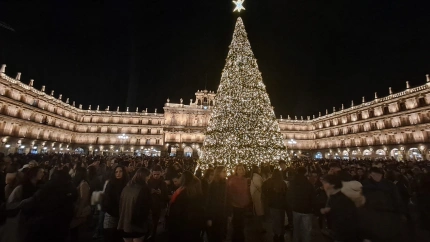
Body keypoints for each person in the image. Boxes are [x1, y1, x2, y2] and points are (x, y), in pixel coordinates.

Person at [22, 169, 78, 242]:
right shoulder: (71, 186)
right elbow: (74, 198)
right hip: (63, 220)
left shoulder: (49, 186)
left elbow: (35, 200)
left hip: (46, 221)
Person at [167, 171, 204, 242]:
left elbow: (178, 210)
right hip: (193, 223)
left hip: (182, 224)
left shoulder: (183, 192)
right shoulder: (195, 190)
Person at [320, 175, 359, 242]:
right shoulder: (333, 197)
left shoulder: (342, 199)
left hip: (345, 235)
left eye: (324, 183)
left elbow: (344, 220)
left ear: (332, 185)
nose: (323, 186)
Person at [117, 168, 152, 242]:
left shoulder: (126, 187)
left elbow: (120, 204)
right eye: (148, 176)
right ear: (145, 177)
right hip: (137, 225)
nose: (149, 178)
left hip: (125, 223)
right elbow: (145, 209)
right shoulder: (144, 189)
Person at [287, 166, 315, 242]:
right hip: (307, 210)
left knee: (296, 229)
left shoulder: (293, 183)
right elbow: (312, 197)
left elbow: (289, 195)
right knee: (306, 230)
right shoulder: (308, 184)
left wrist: (291, 205)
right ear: (305, 173)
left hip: (296, 209)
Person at [103, 165, 129, 242]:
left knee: (119, 236)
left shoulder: (127, 184)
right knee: (109, 235)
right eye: (116, 172)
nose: (118, 173)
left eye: (120, 171)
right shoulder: (110, 184)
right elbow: (107, 199)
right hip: (111, 214)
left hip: (122, 215)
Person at [227, 164, 251, 242]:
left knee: (242, 224)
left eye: (242, 169)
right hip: (236, 205)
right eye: (239, 169)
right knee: (237, 225)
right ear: (236, 171)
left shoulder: (245, 180)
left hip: (243, 205)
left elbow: (246, 192)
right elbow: (230, 192)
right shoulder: (233, 180)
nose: (241, 171)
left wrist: (247, 201)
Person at [262, 169, 288, 242]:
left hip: (273, 204)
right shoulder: (282, 183)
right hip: (281, 205)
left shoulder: (269, 182)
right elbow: (286, 193)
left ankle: (276, 234)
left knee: (275, 220)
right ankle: (282, 234)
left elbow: (263, 188)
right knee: (281, 220)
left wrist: (268, 196)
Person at [206, 166, 228, 242]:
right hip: (215, 215)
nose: (225, 173)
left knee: (220, 235)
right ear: (218, 173)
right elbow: (210, 201)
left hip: (222, 214)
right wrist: (209, 217)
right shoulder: (213, 185)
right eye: (223, 171)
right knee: (214, 235)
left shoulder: (224, 183)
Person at [70, 167, 91, 242]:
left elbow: (83, 199)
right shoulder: (81, 183)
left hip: (81, 211)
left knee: (78, 230)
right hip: (80, 210)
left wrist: (78, 212)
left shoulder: (83, 184)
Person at [147, 165, 168, 238]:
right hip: (149, 205)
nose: (156, 176)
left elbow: (166, 196)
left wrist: (161, 193)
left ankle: (153, 235)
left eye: (158, 174)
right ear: (152, 173)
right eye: (154, 174)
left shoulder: (163, 183)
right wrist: (150, 192)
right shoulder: (148, 182)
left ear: (161, 173)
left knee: (155, 222)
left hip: (158, 206)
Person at [250, 165, 265, 232]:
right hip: (258, 196)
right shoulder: (257, 177)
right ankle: (259, 228)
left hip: (255, 196)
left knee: (257, 212)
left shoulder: (253, 177)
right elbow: (260, 187)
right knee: (259, 212)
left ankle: (258, 227)